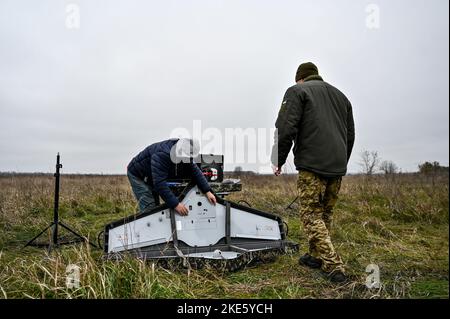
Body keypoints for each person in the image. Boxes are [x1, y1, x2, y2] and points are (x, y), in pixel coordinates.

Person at [271, 62, 355, 283]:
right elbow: (350, 136)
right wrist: (340, 163)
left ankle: (334, 265)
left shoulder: (297, 91)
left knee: (311, 215)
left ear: (300, 78)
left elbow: (285, 127)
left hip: (312, 165)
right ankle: (314, 256)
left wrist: (277, 159)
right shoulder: (342, 97)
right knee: (325, 213)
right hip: (336, 166)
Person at [127, 138, 217, 215]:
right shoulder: (162, 154)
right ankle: (147, 231)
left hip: (151, 175)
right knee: (149, 208)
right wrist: (176, 204)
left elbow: (195, 171)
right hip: (138, 175)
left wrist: (207, 191)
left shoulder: (185, 151)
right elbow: (159, 183)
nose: (187, 160)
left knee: (156, 208)